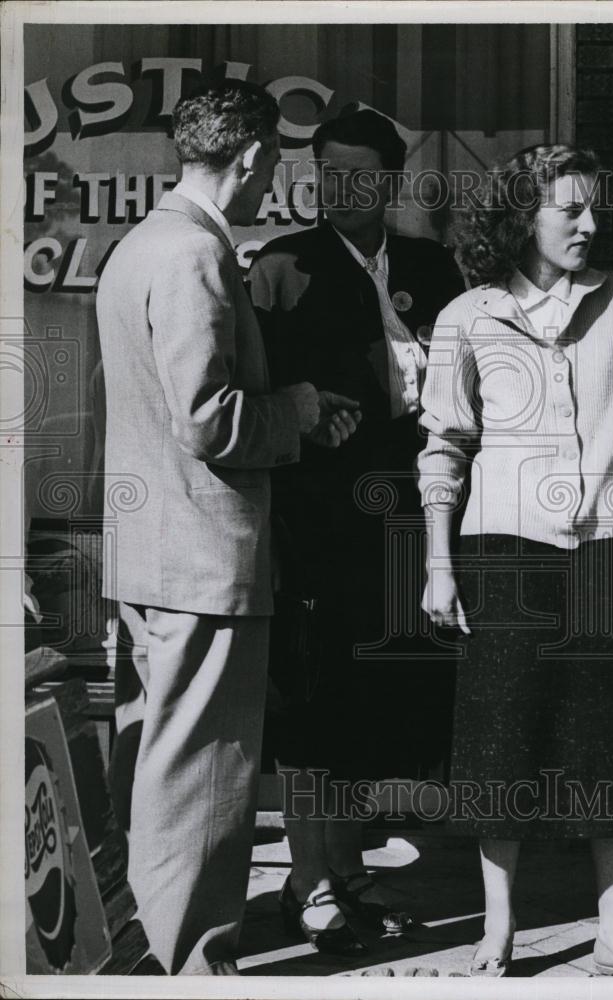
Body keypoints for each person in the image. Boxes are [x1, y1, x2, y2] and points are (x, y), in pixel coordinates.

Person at [97, 82, 359, 975]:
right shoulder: (193, 256)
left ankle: (157, 943)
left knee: (161, 765)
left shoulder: (143, 243)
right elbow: (208, 419)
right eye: (274, 165)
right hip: (203, 558)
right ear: (250, 159)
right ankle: (196, 965)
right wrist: (297, 406)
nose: (271, 181)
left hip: (154, 555)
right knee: (204, 778)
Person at [418, 145, 613, 978]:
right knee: (499, 735)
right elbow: (444, 443)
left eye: (591, 207)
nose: (589, 223)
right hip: (500, 544)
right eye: (567, 209)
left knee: (609, 734)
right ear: (519, 219)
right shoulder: (467, 316)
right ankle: (497, 928)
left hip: (602, 542)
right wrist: (436, 561)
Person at [248, 108, 466, 954]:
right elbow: (252, 394)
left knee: (366, 708)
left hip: (406, 516)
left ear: (390, 181)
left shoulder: (427, 264)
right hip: (314, 523)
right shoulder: (281, 267)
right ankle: (311, 887)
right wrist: (303, 419)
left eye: (360, 175)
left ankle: (343, 872)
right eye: (326, 172)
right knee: (310, 706)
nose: (341, 189)